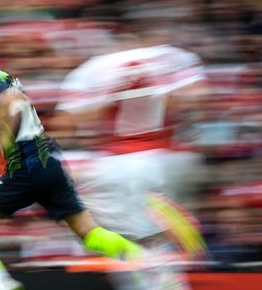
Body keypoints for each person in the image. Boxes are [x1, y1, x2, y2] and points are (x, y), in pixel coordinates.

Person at [0, 38, 141, 290]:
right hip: (50, 161)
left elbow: (7, 106)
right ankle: (145, 261)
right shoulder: (5, 76)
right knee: (89, 233)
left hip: (27, 167)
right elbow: (12, 103)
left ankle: (0, 283)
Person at [52, 40, 209, 289]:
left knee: (112, 231)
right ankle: (165, 230)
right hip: (171, 160)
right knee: (145, 237)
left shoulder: (96, 67)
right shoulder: (172, 56)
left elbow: (70, 119)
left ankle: (158, 263)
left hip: (121, 164)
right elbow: (197, 97)